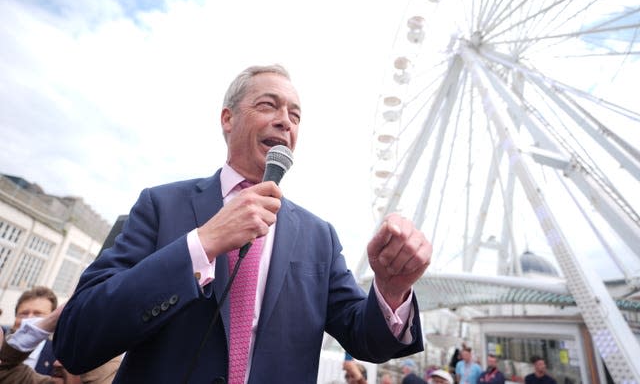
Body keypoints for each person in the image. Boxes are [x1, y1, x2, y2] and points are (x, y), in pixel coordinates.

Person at [53, 64, 432, 383]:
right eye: (269, 105)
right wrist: (201, 245)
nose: (285, 121)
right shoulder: (160, 205)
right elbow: (77, 340)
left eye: (295, 115)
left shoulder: (320, 237)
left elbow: (370, 342)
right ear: (228, 119)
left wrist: (392, 288)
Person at [11, 286, 59, 375]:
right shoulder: (2, 347)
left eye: (38, 314)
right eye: (23, 314)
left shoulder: (59, 358)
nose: (29, 320)